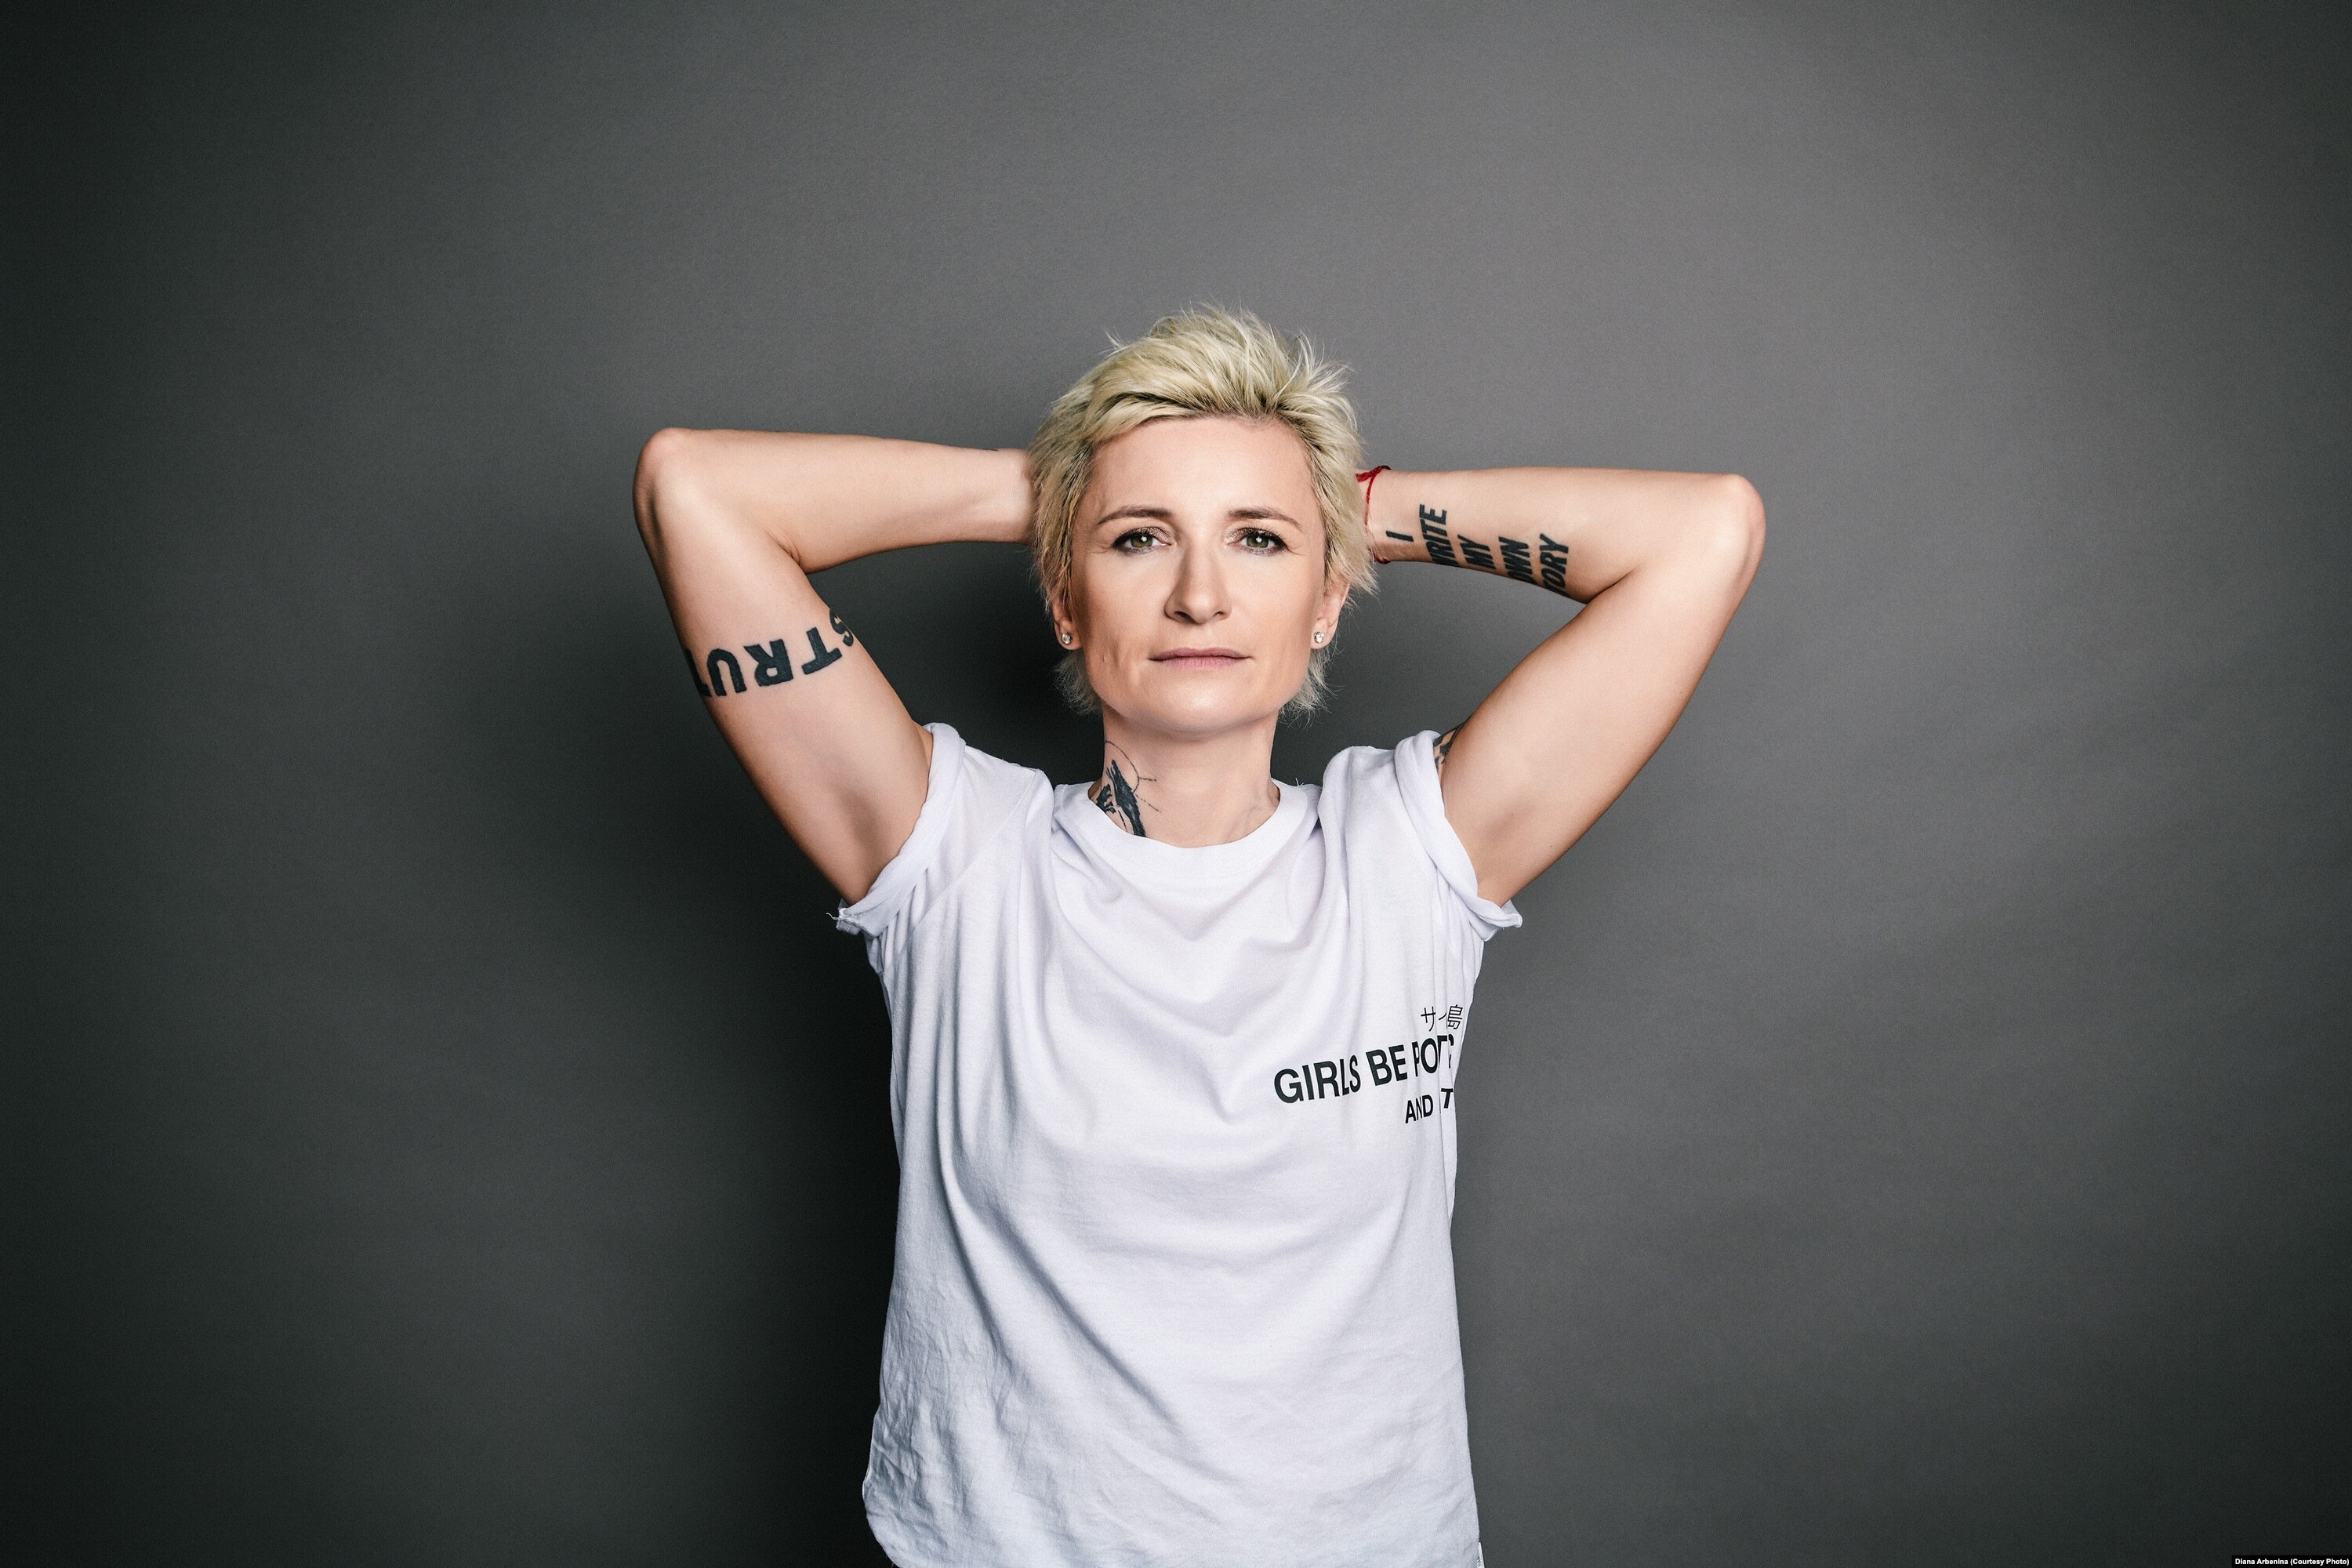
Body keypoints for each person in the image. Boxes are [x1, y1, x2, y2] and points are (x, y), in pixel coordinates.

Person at [632, 307, 1763, 1568]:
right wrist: (1062, 494)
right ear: (1065, 600)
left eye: (1259, 541)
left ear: (1328, 601)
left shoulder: (1409, 854)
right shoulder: (955, 861)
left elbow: (1705, 532)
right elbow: (695, 490)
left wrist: (1337, 506)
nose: (1200, 593)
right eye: (1139, 542)